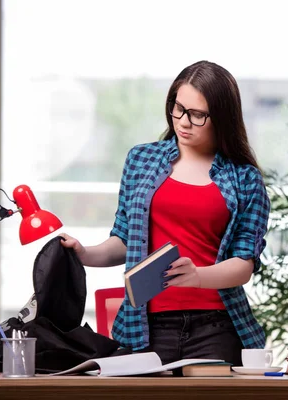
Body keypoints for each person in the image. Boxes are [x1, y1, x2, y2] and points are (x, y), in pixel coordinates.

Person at [60, 60, 270, 366]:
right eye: (178, 108)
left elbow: (244, 265)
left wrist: (197, 276)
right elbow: (124, 239)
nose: (183, 121)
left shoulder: (244, 178)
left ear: (222, 117)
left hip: (217, 326)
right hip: (145, 327)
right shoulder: (141, 160)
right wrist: (84, 253)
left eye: (197, 115)